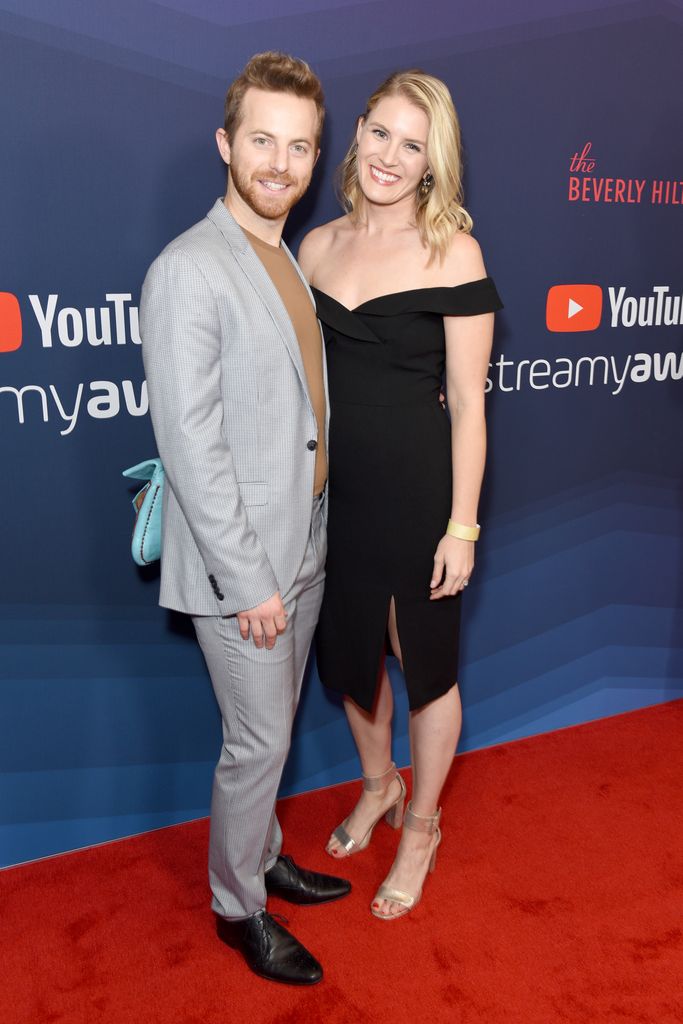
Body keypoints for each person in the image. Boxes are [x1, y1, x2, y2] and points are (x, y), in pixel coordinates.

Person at [140, 51, 350, 986]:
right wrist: (249, 578)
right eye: (261, 140)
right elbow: (192, 446)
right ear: (226, 144)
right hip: (248, 568)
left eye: (298, 146)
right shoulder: (189, 268)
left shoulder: (285, 259)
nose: (280, 162)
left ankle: (265, 855)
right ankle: (238, 907)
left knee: (273, 729)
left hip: (303, 543)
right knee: (257, 741)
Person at [298, 69, 502, 921]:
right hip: (334, 502)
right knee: (350, 663)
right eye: (379, 133)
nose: (389, 155)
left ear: (432, 162)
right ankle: (378, 786)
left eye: (411, 144)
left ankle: (421, 824)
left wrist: (461, 526)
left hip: (421, 499)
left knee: (423, 667)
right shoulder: (312, 247)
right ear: (356, 138)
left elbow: (468, 407)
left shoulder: (452, 251)